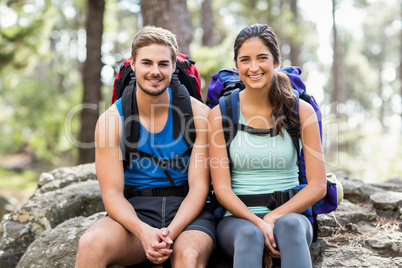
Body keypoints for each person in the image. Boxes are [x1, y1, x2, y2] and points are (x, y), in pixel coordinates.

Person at [75, 26, 215, 268]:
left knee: (188, 256)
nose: (155, 71)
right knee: (90, 244)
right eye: (147, 63)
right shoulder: (111, 121)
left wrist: (169, 233)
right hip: (135, 213)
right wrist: (143, 232)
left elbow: (199, 188)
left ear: (174, 66)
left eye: (163, 64)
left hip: (188, 216)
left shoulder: (200, 115)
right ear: (132, 64)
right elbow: (112, 195)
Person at [207, 24, 327, 268]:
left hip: (291, 214)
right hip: (236, 220)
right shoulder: (220, 115)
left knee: (290, 227)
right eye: (245, 60)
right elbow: (222, 189)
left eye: (262, 58)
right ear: (237, 64)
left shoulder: (301, 111)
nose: (253, 67)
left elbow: (318, 186)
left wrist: (273, 217)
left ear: (275, 60)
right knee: (249, 235)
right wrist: (259, 223)